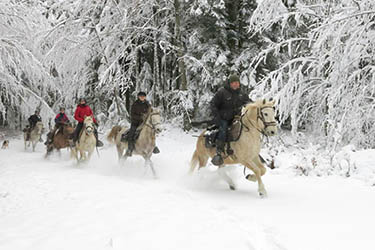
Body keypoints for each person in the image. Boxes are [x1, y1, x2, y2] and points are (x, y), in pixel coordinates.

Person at [210, 73, 252, 166]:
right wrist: (217, 116)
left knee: (246, 128)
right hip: (223, 118)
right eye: (233, 83)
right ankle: (219, 152)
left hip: (236, 118)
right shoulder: (222, 92)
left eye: (237, 82)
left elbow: (250, 103)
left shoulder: (242, 94)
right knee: (223, 129)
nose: (235, 84)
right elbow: (213, 104)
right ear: (230, 83)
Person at [124, 91, 160, 157]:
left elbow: (150, 112)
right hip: (135, 123)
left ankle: (154, 147)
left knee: (152, 132)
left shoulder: (147, 104)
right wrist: (140, 117)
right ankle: (130, 149)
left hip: (145, 123)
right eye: (141, 96)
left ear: (145, 97)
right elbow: (132, 114)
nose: (142, 97)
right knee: (131, 134)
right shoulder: (135, 104)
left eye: (143, 96)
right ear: (138, 97)